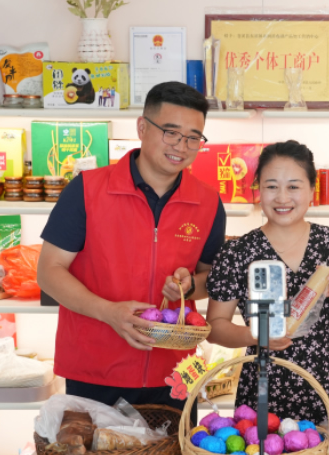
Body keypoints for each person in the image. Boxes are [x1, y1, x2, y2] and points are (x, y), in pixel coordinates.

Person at [37, 82, 226, 417]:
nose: (181, 146)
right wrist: (108, 312)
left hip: (175, 372)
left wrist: (188, 286)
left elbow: (210, 278)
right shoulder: (86, 190)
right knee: (95, 452)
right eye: (171, 132)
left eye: (193, 137)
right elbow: (49, 272)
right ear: (142, 127)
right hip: (94, 369)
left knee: (176, 453)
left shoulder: (208, 201)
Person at [205, 140, 329, 423]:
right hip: (265, 386)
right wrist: (256, 336)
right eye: (271, 186)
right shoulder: (238, 252)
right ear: (258, 190)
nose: (282, 198)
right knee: (264, 450)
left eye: (293, 187)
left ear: (311, 190)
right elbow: (215, 328)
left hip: (328, 381)